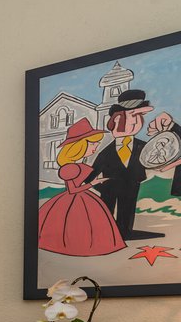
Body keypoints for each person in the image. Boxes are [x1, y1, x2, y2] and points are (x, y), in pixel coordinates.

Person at [36, 118, 124, 256]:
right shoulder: (70, 168)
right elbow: (72, 190)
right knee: (75, 224)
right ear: (80, 145)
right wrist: (92, 183)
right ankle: (77, 247)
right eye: (93, 144)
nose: (95, 148)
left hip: (84, 197)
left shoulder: (76, 164)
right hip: (74, 199)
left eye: (97, 144)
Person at [91, 89, 163, 239]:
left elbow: (156, 160)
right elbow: (89, 175)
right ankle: (107, 234)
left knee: (127, 210)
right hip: (109, 189)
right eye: (133, 116)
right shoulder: (106, 152)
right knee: (107, 212)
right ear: (116, 120)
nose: (136, 122)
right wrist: (103, 186)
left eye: (139, 117)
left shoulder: (143, 147)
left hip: (131, 185)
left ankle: (125, 232)